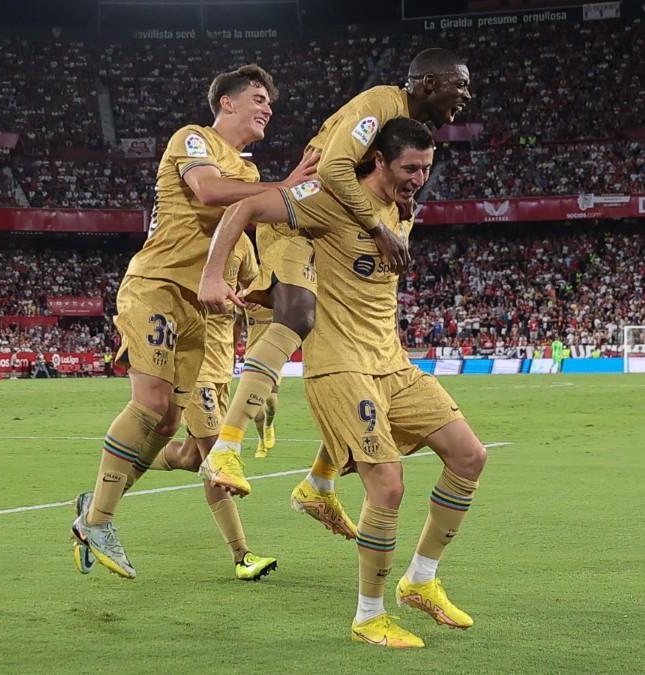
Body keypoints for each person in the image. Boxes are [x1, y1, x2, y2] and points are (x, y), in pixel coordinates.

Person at [200, 119, 487, 648]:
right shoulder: (329, 200)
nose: (419, 179)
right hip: (340, 367)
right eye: (408, 168)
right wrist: (213, 275)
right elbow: (245, 208)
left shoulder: (403, 209)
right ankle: (369, 615)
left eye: (426, 168)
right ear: (377, 161)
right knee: (388, 484)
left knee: (470, 456)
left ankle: (420, 581)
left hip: (393, 363)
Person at [69, 64, 317, 580]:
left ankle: (95, 505)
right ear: (226, 103)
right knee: (154, 404)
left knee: (166, 425)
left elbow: (274, 216)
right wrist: (287, 183)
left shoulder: (247, 175)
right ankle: (98, 520)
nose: (266, 106)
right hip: (157, 284)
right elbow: (205, 191)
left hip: (200, 314)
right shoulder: (193, 139)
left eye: (269, 100)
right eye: (256, 97)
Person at [199, 47, 473, 498]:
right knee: (298, 316)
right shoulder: (383, 102)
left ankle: (320, 481)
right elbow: (333, 168)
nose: (466, 94)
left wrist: (394, 198)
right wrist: (377, 225)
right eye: (459, 84)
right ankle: (226, 447)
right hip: (308, 211)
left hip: (335, 217)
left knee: (357, 353)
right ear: (428, 83)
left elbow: (365, 168)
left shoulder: (410, 126)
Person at [109, 233, 276, 580]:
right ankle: (242, 555)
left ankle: (117, 471)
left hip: (222, 370)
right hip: (193, 366)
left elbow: (255, 296)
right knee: (216, 458)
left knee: (193, 458)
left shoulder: (242, 243)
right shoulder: (187, 232)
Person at [243, 304, 278, 458]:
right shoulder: (245, 300)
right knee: (257, 410)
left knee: (271, 402)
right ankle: (261, 442)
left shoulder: (277, 298)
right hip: (252, 358)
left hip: (274, 357)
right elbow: (237, 323)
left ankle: (269, 425)